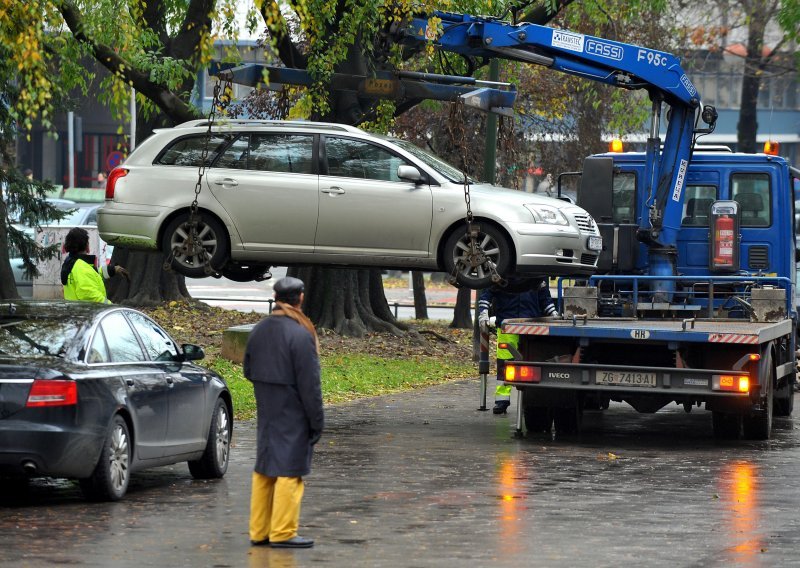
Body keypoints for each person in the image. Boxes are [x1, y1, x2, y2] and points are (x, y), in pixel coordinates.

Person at [244, 276, 324, 549]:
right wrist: (316, 422)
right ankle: (283, 532)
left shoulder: (259, 329)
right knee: (290, 470)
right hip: (294, 408)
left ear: (276, 297)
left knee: (265, 468)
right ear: (300, 297)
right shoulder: (301, 334)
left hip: (267, 405)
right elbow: (310, 384)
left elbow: (247, 369)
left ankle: (259, 530)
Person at [478, 277, 557, 414]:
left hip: (531, 325)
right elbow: (487, 293)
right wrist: (483, 312)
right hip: (508, 324)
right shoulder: (503, 272)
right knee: (505, 363)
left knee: (532, 365)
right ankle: (502, 400)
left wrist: (553, 314)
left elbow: (545, 297)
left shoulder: (535, 273)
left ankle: (532, 399)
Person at [61, 227, 129, 303]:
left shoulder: (70, 262)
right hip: (86, 313)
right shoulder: (82, 268)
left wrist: (112, 269)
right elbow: (91, 296)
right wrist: (111, 307)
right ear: (86, 245)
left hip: (76, 311)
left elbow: (92, 276)